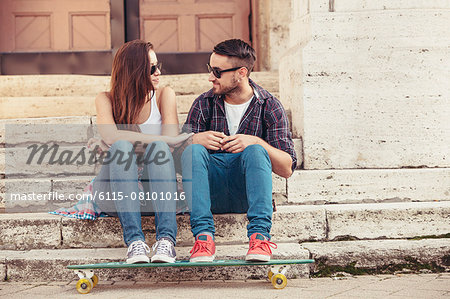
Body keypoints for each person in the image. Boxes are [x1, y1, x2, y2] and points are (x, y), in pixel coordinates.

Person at [181, 39, 296, 262]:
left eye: (217, 71)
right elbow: (180, 162)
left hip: (248, 194)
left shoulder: (269, 106)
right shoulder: (203, 103)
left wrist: (256, 142)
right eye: (210, 69)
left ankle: (259, 238)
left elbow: (287, 169)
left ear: (241, 73)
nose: (210, 77)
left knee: (255, 151)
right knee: (192, 150)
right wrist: (193, 139)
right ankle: (203, 239)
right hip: (208, 195)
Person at [92, 40, 191, 264]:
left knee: (158, 148)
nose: (158, 73)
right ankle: (135, 242)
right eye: (151, 68)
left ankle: (166, 240)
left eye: (158, 66)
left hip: (156, 189)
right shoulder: (105, 99)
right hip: (115, 192)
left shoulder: (164, 95)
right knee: (121, 147)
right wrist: (161, 139)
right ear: (133, 72)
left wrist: (158, 141)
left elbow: (171, 142)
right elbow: (111, 136)